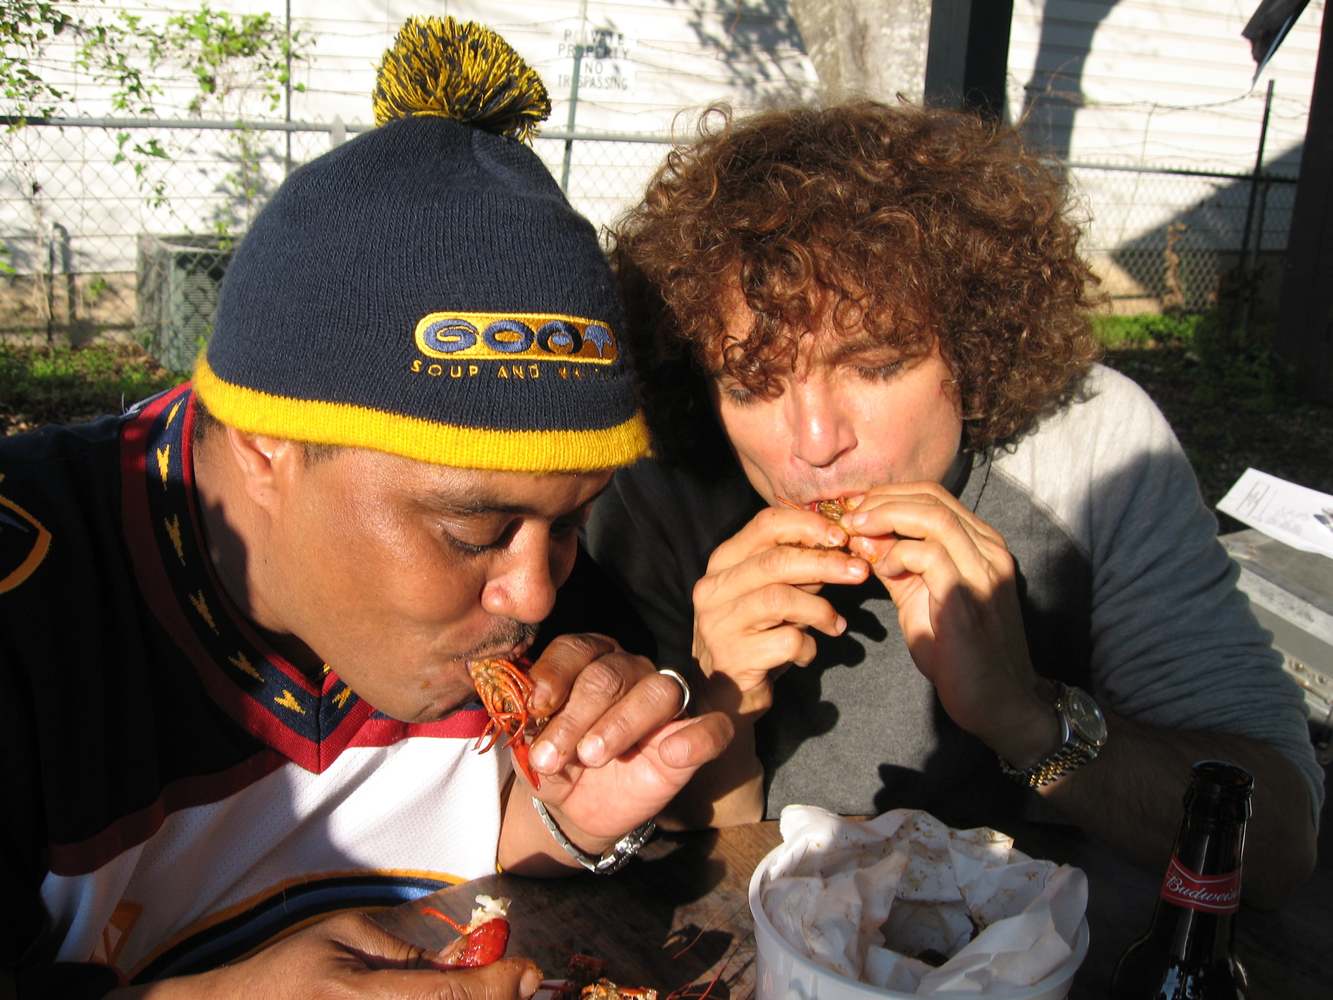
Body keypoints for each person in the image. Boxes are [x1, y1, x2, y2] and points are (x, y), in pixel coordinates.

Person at [0, 18, 731, 999]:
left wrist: (568, 821)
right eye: (474, 530)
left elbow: (491, 839)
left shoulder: (534, 585)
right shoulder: (30, 618)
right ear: (267, 443)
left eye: (570, 521)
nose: (534, 590)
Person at [586, 100, 1322, 906]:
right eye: (752, 384)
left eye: (872, 366)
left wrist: (1025, 715)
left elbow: (1280, 838)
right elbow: (675, 873)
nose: (815, 441)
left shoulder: (1089, 450)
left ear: (973, 347)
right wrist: (722, 705)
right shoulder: (658, 484)